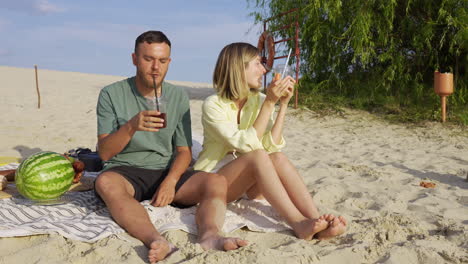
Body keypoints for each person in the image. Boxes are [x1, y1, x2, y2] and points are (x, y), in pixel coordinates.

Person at [94, 31, 247, 264]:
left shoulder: (177, 96)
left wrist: (171, 181)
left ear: (169, 62)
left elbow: (184, 151)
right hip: (125, 170)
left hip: (165, 169)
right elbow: (104, 152)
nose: (156, 68)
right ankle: (156, 240)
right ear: (135, 59)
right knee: (105, 182)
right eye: (148, 59)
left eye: (162, 61)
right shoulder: (111, 94)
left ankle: (210, 235)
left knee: (216, 181)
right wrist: (131, 126)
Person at [194, 42, 347, 240]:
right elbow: (245, 145)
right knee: (257, 156)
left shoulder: (257, 101)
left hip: (245, 181)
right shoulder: (213, 105)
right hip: (215, 179)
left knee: (278, 158)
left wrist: (282, 105)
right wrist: (269, 103)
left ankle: (315, 220)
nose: (263, 69)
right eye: (257, 64)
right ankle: (297, 223)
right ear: (239, 68)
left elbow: (270, 146)